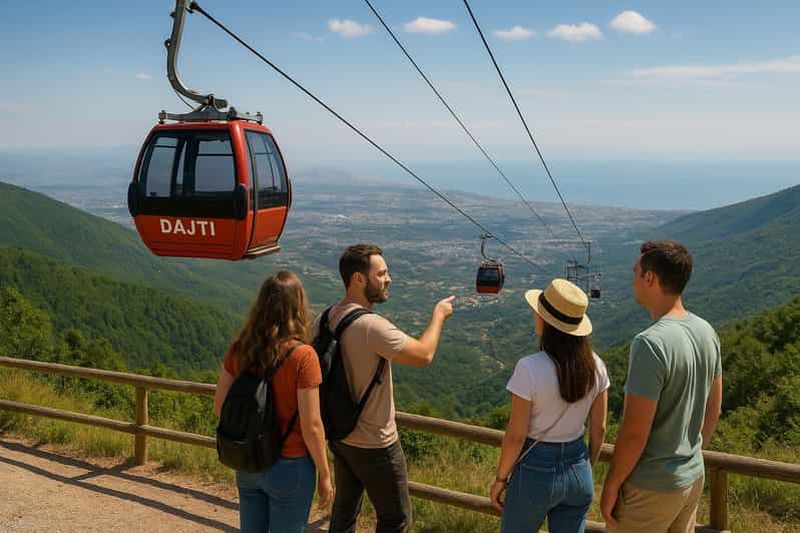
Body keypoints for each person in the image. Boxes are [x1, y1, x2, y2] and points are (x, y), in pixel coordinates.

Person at [325, 244, 455, 533]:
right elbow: (423, 355)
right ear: (358, 279)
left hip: (341, 435)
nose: (389, 279)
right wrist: (438, 315)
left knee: (344, 512)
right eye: (381, 273)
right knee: (396, 520)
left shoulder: (327, 317)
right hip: (376, 442)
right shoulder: (372, 326)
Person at [600, 240, 723, 533]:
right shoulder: (706, 331)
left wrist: (612, 484)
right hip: (691, 478)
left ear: (650, 278)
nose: (632, 278)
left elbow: (634, 432)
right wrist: (688, 456)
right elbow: (714, 409)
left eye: (635, 271)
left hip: (651, 487)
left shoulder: (650, 343)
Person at [213, 271, 332, 533]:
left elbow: (219, 407)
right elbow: (312, 426)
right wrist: (325, 473)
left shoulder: (239, 349)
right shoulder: (304, 356)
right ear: (298, 306)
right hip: (291, 465)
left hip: (249, 459)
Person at [490, 278, 609, 533]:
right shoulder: (596, 366)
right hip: (579, 469)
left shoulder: (529, 367)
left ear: (546, 321)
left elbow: (516, 435)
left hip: (536, 471)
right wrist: (586, 467)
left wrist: (501, 478)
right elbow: (599, 429)